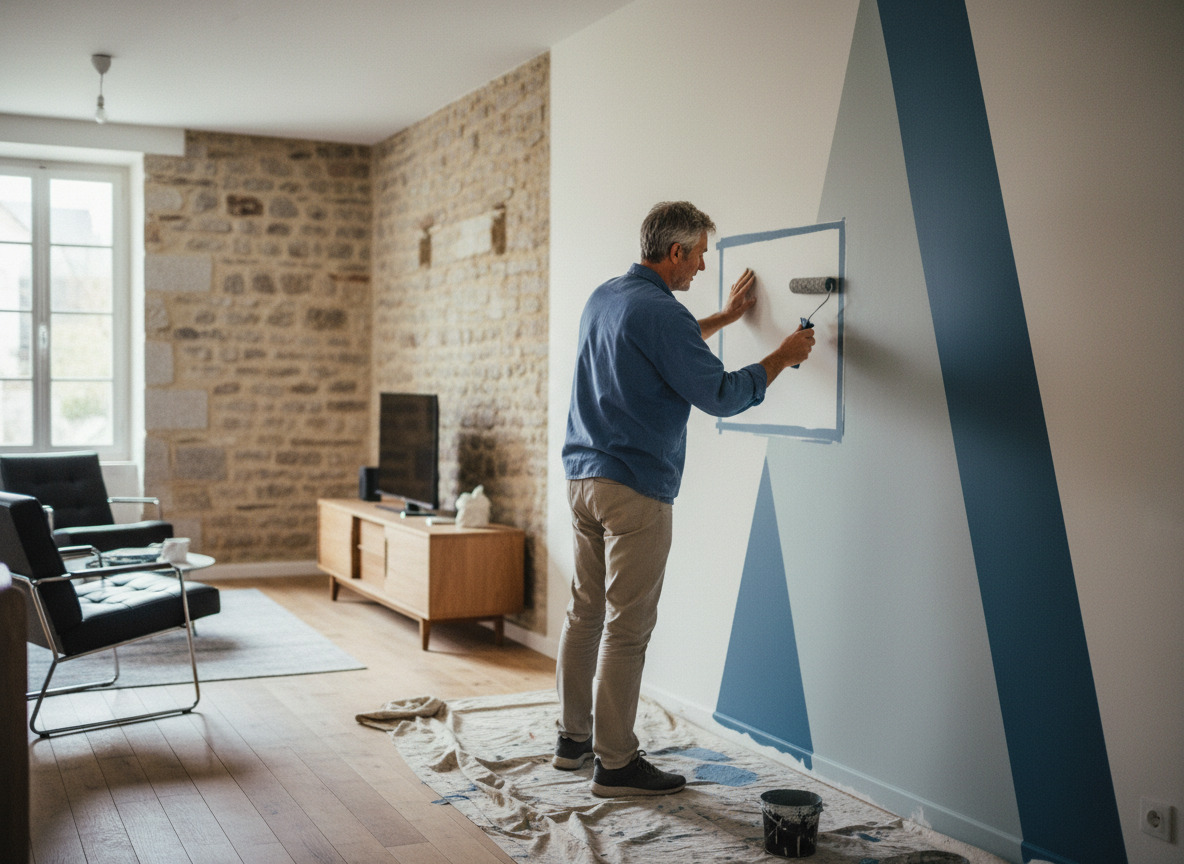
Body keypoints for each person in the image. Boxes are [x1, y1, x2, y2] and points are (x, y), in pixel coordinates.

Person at [554, 201, 815, 796]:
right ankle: (615, 764)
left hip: (582, 480)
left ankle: (573, 740)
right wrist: (782, 357)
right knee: (627, 627)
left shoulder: (607, 297)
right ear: (675, 252)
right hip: (634, 491)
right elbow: (720, 394)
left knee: (585, 612)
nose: (701, 266)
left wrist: (723, 317)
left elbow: (659, 348)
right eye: (698, 255)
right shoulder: (662, 314)